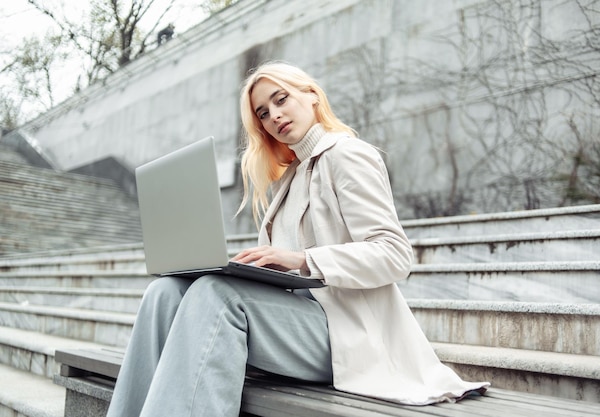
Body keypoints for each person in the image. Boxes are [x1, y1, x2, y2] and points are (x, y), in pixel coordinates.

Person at [106, 61, 489, 417]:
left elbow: (394, 255)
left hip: (345, 336)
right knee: (165, 292)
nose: (274, 115)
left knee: (216, 294)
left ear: (311, 95)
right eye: (262, 112)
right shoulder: (287, 181)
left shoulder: (347, 154)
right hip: (294, 327)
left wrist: (302, 259)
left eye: (281, 99)